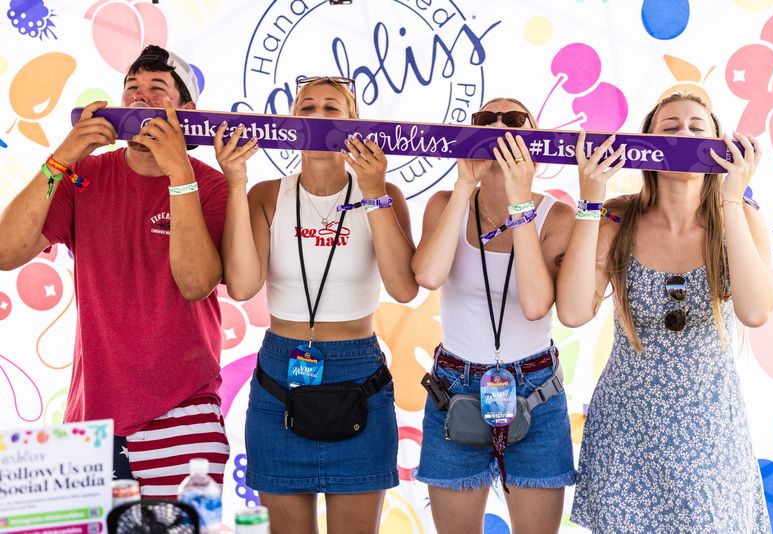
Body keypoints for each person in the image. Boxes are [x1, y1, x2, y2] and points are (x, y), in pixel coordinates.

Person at [0, 45, 230, 498]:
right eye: (132, 89)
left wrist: (177, 171)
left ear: (186, 111)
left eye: (156, 89)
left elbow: (197, 283)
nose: (139, 98)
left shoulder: (213, 185)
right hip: (91, 416)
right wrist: (62, 157)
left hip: (184, 411)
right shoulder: (83, 175)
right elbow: (6, 252)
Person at [559, 92, 773, 532]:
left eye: (698, 127)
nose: (684, 135)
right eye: (670, 127)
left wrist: (732, 199)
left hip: (710, 435)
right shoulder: (617, 221)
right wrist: (590, 200)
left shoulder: (742, 219)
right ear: (648, 148)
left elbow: (755, 312)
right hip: (627, 433)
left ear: (719, 144)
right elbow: (574, 311)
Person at [213, 75, 418, 534]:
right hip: (280, 371)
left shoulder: (385, 193)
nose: (320, 117)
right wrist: (235, 181)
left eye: (333, 109)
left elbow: (404, 288)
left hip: (358, 371)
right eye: (307, 108)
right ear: (290, 122)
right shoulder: (267, 194)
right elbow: (243, 287)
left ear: (354, 124)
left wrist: (373, 191)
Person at [411, 98, 576, 534]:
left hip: (536, 388)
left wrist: (521, 201)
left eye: (515, 119)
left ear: (535, 138)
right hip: (454, 384)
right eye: (486, 120)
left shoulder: (557, 215)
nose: (500, 126)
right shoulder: (445, 202)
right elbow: (427, 276)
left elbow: (537, 303)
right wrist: (465, 185)